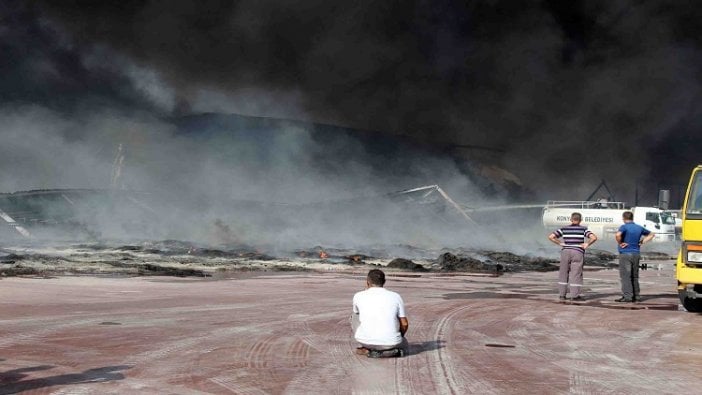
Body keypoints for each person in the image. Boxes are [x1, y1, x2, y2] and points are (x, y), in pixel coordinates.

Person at [352, 269, 408, 357]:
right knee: (405, 344)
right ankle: (389, 351)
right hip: (392, 342)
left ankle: (368, 349)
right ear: (384, 282)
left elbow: (356, 314)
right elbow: (404, 323)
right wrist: (399, 336)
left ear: (367, 282)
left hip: (365, 341)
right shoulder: (396, 296)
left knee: (354, 315)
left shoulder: (358, 295)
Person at [548, 212, 598, 301]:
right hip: (577, 251)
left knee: (563, 272)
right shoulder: (583, 229)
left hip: (565, 251)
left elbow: (551, 236)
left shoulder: (564, 229)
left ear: (571, 219)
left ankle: (562, 295)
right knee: (576, 273)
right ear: (580, 220)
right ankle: (574, 296)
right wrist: (587, 244)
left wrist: (560, 243)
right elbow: (594, 237)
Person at [615, 211, 655, 302]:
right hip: (636, 253)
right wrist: (641, 242)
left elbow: (618, 235)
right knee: (635, 276)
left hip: (625, 253)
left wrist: (620, 243)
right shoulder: (639, 227)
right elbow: (652, 234)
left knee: (626, 276)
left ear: (624, 218)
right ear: (632, 218)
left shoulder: (624, 227)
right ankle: (636, 296)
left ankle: (628, 296)